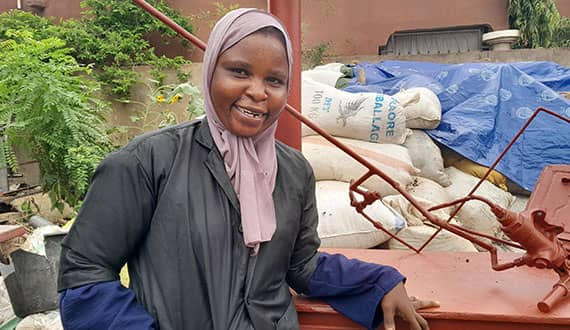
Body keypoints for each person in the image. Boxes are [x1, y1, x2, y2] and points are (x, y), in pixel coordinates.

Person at [58, 8, 438, 330]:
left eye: (274, 80)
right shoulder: (148, 162)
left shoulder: (292, 172)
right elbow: (85, 275)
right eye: (239, 72)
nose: (258, 91)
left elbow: (301, 266)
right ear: (210, 73)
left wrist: (379, 281)